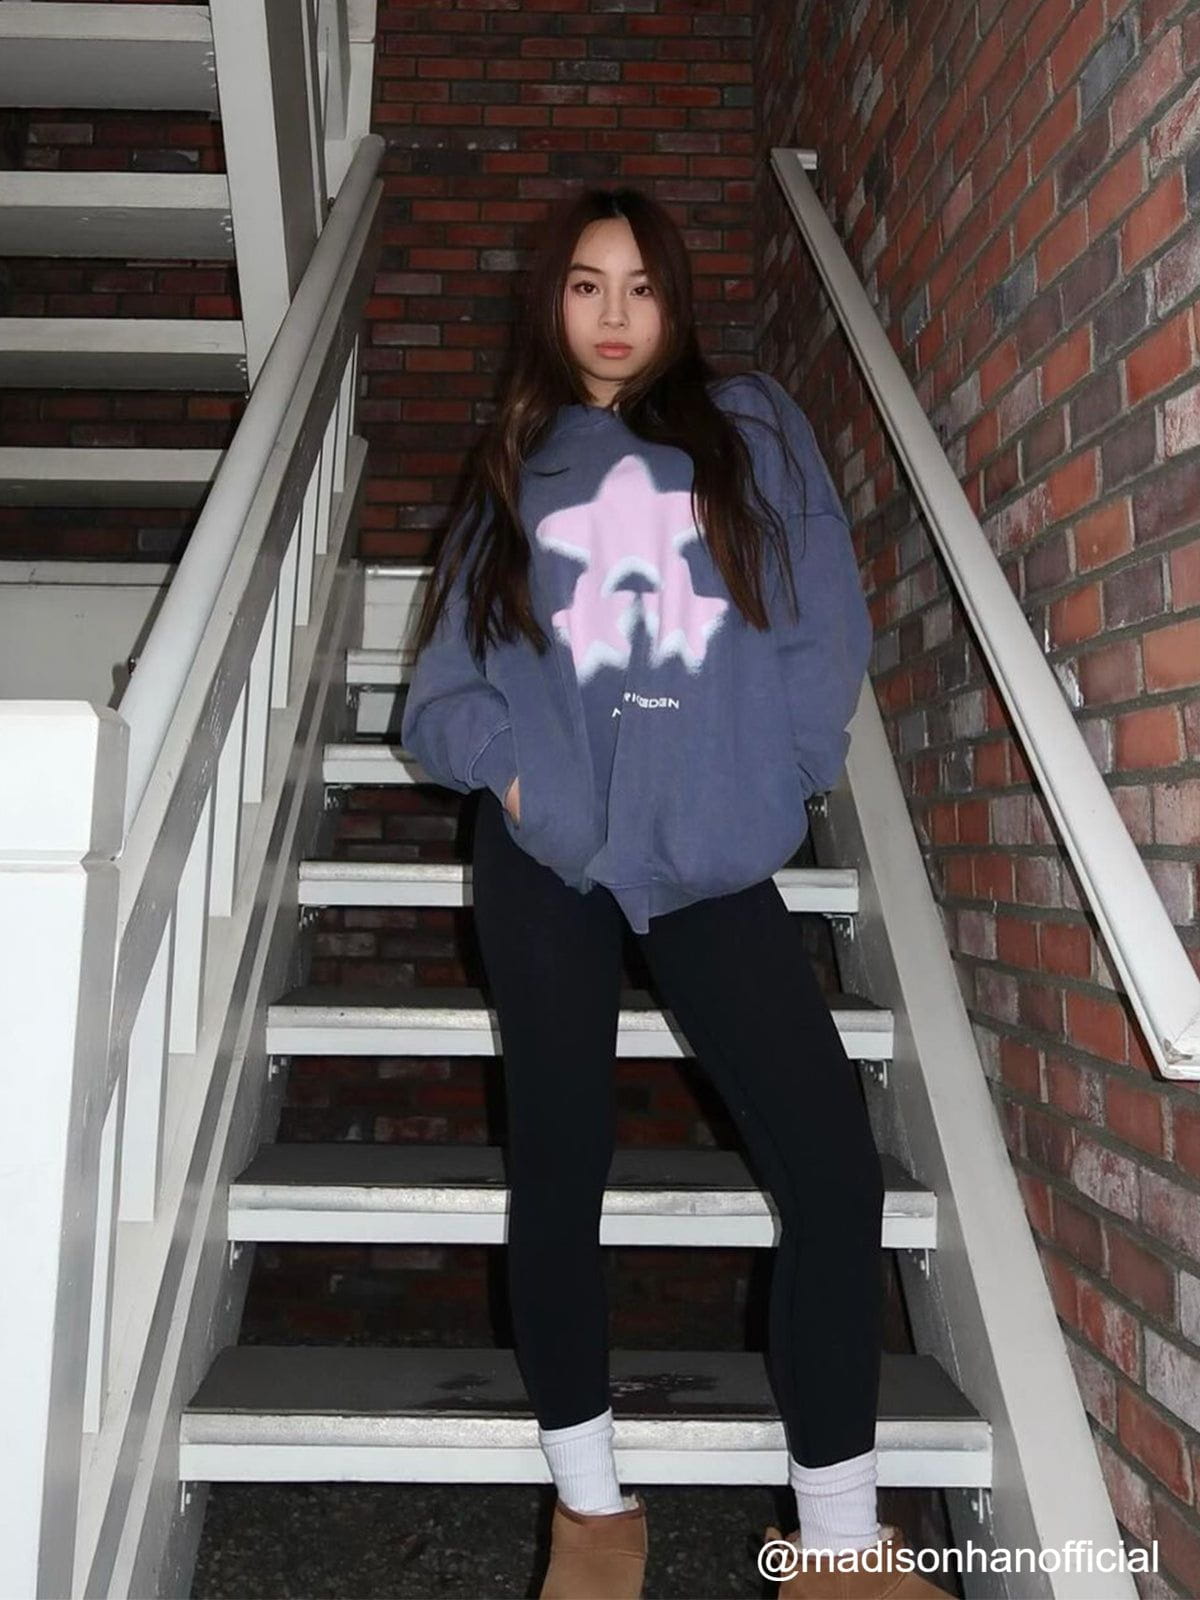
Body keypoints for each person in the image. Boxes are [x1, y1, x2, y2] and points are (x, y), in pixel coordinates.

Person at [400, 186, 946, 1600]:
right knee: (559, 1171)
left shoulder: (750, 423)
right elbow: (438, 695)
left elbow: (822, 623)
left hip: (712, 856)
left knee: (833, 1171)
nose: (614, 314)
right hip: (548, 865)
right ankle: (592, 1517)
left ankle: (839, 1542)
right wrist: (521, 780)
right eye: (587, 285)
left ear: (676, 301)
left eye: (640, 286)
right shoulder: (517, 461)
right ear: (553, 300)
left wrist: (786, 776)